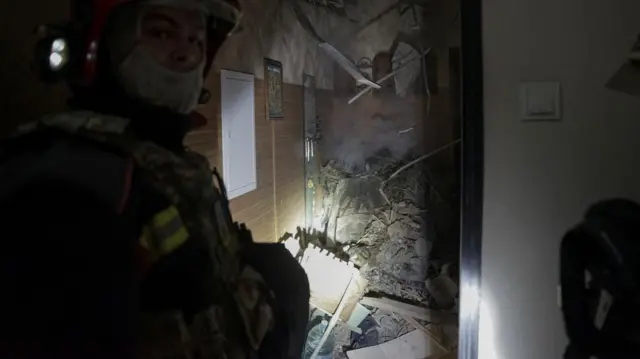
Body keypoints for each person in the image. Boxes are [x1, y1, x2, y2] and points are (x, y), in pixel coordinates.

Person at [0, 1, 310, 358]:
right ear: (103, 44)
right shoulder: (68, 185)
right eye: (162, 32)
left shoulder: (163, 158)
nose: (186, 54)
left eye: (196, 41)